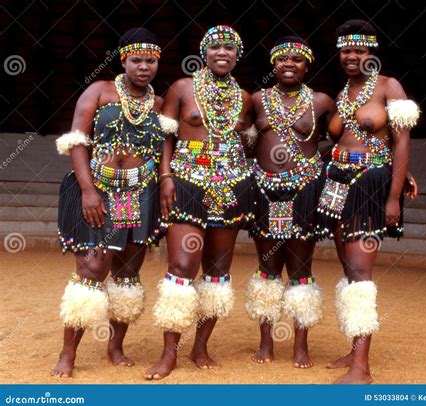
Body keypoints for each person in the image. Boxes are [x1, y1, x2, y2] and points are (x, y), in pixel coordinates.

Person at [51, 28, 164, 378]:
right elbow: (77, 140)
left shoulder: (159, 105)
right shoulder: (100, 91)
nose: (143, 67)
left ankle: (115, 346)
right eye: (136, 60)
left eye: (150, 61)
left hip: (140, 192)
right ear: (123, 61)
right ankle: (68, 354)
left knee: (128, 275)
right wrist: (88, 189)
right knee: (92, 271)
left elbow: (164, 153)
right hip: (99, 190)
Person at [145, 25, 255, 380]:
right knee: (181, 266)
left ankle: (201, 346)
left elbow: (253, 143)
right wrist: (165, 178)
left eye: (230, 49)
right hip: (188, 182)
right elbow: (166, 136)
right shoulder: (182, 88)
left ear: (237, 56)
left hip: (232, 185)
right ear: (204, 54)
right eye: (216, 48)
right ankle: (168, 354)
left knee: (219, 273)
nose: (223, 53)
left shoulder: (245, 97)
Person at [320, 19, 420, 384]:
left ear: (371, 53)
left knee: (361, 273)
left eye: (360, 50)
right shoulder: (343, 91)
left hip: (370, 185)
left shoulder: (389, 86)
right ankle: (353, 349)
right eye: (346, 49)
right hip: (336, 182)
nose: (352, 56)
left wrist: (393, 196)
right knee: (349, 270)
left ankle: (362, 368)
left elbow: (402, 142)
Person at [245, 36, 336, 368]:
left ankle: (300, 346)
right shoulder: (255, 100)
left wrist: (316, 162)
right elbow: (238, 138)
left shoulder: (323, 101)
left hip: (304, 193)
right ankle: (266, 342)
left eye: (296, 59)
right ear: (273, 65)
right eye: (282, 59)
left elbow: (346, 137)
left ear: (307, 65)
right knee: (268, 268)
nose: (288, 64)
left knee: (300, 270)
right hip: (266, 192)